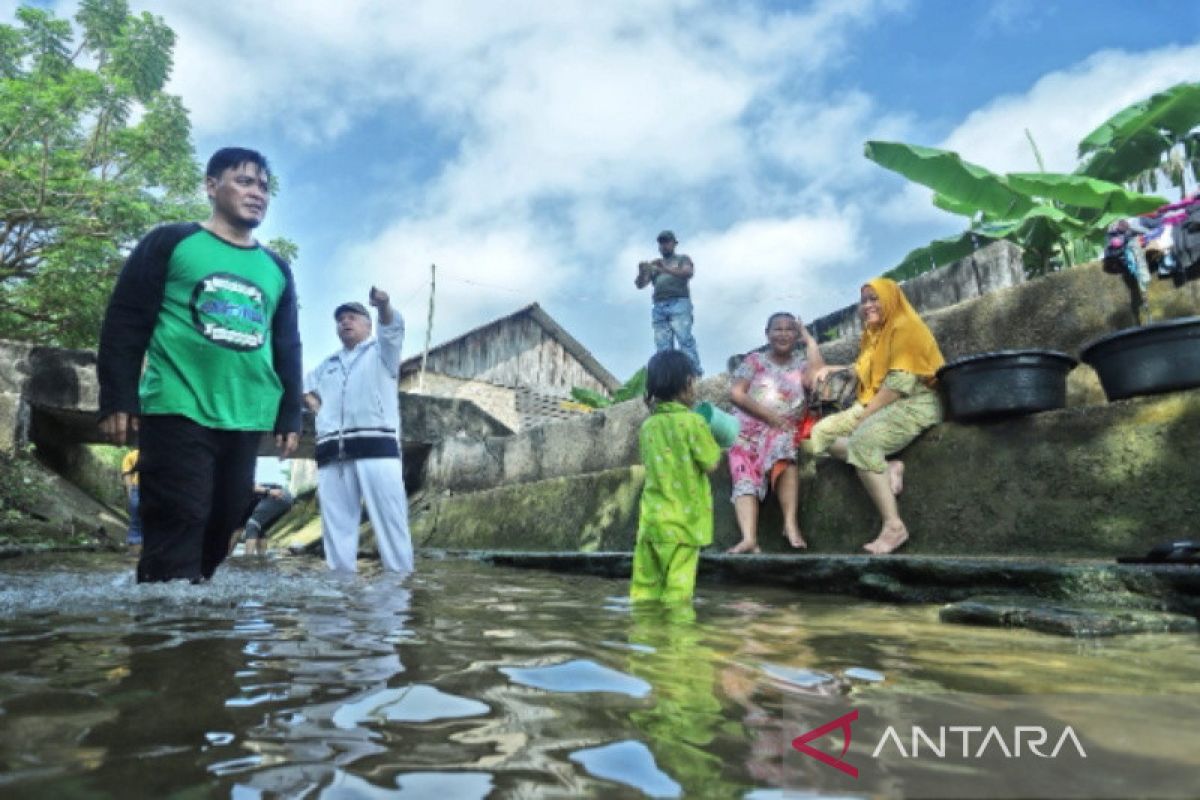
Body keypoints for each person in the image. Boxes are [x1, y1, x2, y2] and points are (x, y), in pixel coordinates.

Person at [97, 147, 302, 583]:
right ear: (212, 187)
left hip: (246, 414)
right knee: (179, 516)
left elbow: (287, 344)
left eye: (264, 186)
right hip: (177, 404)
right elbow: (126, 320)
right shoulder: (171, 242)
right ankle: (164, 633)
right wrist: (118, 395)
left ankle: (192, 619)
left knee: (225, 517)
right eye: (244, 181)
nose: (258, 193)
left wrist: (289, 414)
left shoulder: (276, 268)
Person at [809, 277, 944, 555]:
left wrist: (863, 417)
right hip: (877, 401)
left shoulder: (906, 328)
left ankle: (894, 526)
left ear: (891, 299)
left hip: (914, 401)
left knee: (862, 442)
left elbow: (898, 385)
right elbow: (863, 368)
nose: (868, 305)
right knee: (820, 435)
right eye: (864, 300)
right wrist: (832, 369)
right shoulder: (874, 334)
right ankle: (888, 465)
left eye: (874, 298)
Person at [304, 287, 413, 573]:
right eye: (340, 319)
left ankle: (399, 586)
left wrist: (384, 304)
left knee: (391, 522)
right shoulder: (327, 364)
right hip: (332, 454)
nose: (345, 322)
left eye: (352, 317)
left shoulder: (383, 352)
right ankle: (340, 593)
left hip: (377, 449)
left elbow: (392, 326)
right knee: (336, 529)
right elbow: (302, 388)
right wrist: (320, 410)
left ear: (368, 324)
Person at [726, 313, 825, 554]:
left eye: (790, 329)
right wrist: (770, 417)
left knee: (784, 447)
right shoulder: (754, 361)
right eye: (777, 329)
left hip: (781, 432)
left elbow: (821, 384)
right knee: (742, 464)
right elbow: (736, 394)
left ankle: (790, 525)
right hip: (748, 429)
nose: (783, 334)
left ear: (797, 335)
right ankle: (749, 538)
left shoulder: (802, 365)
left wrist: (810, 343)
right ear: (767, 334)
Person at [630, 350, 721, 604]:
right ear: (688, 383)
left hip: (651, 522)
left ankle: (643, 636)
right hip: (684, 524)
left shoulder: (647, 426)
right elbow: (711, 462)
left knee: (644, 593)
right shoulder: (694, 423)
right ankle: (677, 643)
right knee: (677, 596)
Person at [635, 230, 702, 375]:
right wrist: (642, 271)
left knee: (684, 339)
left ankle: (694, 375)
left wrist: (664, 269)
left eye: (667, 242)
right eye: (661, 243)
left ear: (674, 244)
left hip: (679, 302)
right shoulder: (654, 264)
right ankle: (669, 379)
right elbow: (640, 284)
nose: (664, 245)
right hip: (659, 305)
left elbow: (687, 273)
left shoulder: (682, 259)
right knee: (663, 346)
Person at [229, 483, 294, 556]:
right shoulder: (241, 512)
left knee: (252, 524)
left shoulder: (239, 496)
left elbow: (250, 486)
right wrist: (227, 555)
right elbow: (236, 533)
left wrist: (269, 491)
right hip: (286, 500)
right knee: (260, 529)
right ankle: (262, 559)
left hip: (277, 494)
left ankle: (247, 559)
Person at [120, 448, 142, 555]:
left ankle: (134, 554)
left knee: (135, 525)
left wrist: (131, 495)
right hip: (157, 489)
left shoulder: (131, 456)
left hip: (137, 489)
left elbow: (127, 478)